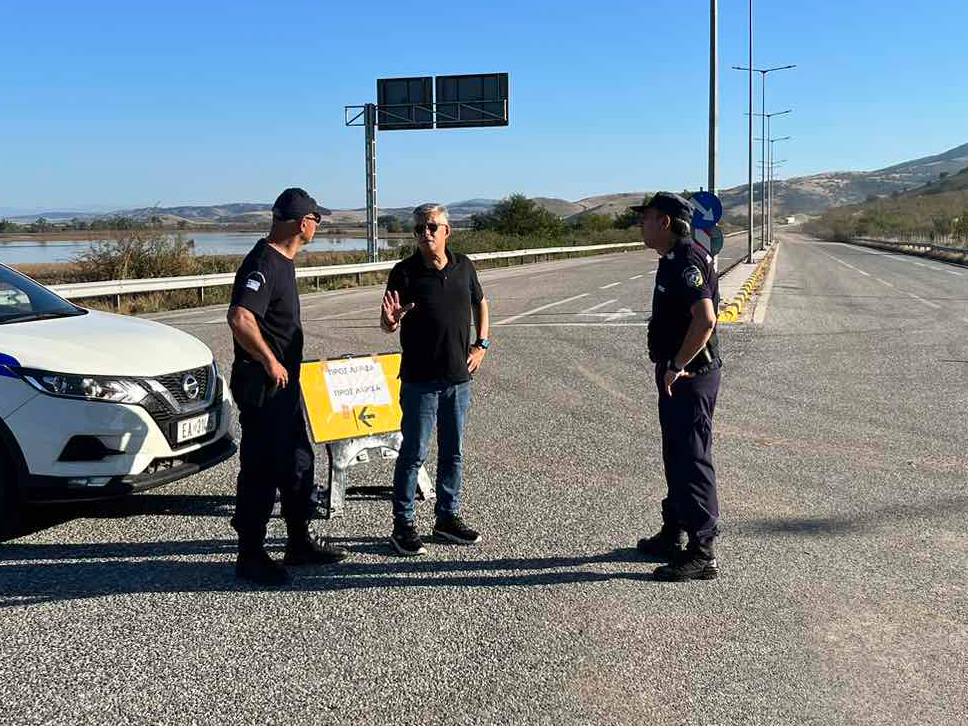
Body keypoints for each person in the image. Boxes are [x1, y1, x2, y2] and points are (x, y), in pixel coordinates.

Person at [226, 187, 347, 586]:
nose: (317, 226)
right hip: (265, 386)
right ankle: (251, 554)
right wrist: (270, 360)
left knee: (297, 460)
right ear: (301, 223)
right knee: (261, 468)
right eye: (316, 219)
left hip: (285, 387)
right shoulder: (263, 262)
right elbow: (241, 317)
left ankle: (299, 541)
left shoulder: (284, 260)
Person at [380, 203, 490, 556]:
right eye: (418, 229)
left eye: (430, 227)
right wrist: (392, 321)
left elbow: (481, 302)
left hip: (459, 379)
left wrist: (482, 344)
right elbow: (387, 324)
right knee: (413, 453)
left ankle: (447, 518)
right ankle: (403, 525)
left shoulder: (464, 266)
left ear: (447, 231)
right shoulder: (404, 273)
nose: (424, 234)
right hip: (419, 382)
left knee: (453, 453)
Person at [631, 192, 723, 581]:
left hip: (689, 377)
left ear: (665, 222)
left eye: (647, 218)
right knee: (676, 455)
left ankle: (702, 551)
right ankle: (674, 531)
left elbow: (705, 320)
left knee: (693, 459)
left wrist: (677, 364)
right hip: (674, 374)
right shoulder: (670, 259)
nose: (642, 225)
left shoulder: (687, 261)